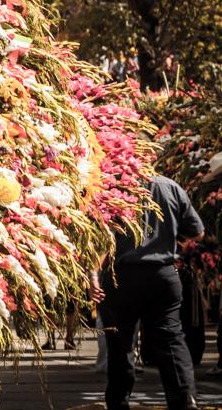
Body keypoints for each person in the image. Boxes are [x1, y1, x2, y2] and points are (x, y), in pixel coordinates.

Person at [89, 175, 204, 410]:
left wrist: (92, 276)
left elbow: (96, 237)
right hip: (163, 274)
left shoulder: (112, 187)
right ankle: (184, 399)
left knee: (120, 344)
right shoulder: (170, 186)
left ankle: (119, 402)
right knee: (171, 339)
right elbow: (197, 232)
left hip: (121, 276)